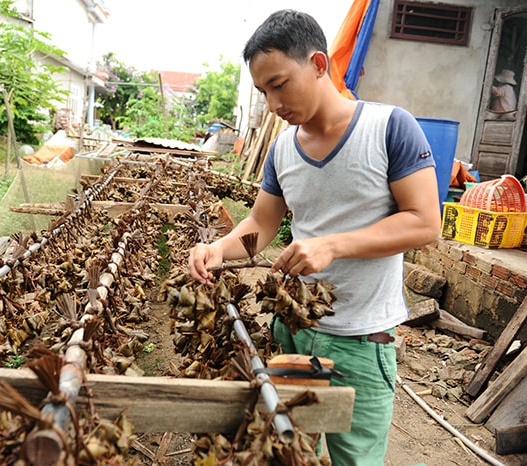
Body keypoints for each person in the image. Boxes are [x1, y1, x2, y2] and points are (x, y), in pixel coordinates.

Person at [187, 9, 441, 465]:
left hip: (363, 342)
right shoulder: (283, 148)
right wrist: (216, 249)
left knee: (354, 461)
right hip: (294, 331)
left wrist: (332, 244)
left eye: (279, 85)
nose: (272, 104)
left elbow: (425, 222)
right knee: (289, 453)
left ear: (319, 64)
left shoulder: (389, 128)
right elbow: (261, 224)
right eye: (263, 91)